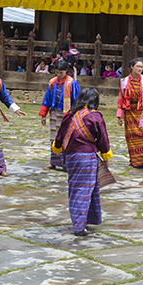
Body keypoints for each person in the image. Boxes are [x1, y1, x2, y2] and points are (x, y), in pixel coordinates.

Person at [52, 88, 113, 236]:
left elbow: (59, 137)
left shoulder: (70, 115)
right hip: (87, 158)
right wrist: (106, 157)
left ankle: (84, 220)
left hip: (71, 158)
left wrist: (57, 149)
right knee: (84, 191)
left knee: (77, 189)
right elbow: (103, 140)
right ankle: (79, 226)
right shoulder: (95, 117)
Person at [39, 59, 81, 170]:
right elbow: (46, 99)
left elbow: (77, 101)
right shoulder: (52, 82)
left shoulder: (72, 83)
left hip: (67, 114)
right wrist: (44, 115)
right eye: (57, 72)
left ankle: (67, 163)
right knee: (54, 138)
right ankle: (53, 162)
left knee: (67, 138)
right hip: (54, 113)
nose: (59, 75)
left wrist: (76, 115)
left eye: (61, 73)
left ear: (66, 71)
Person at [117, 58, 143, 169]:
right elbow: (121, 99)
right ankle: (136, 161)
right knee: (132, 138)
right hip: (130, 112)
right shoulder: (124, 82)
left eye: (141, 67)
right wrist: (120, 115)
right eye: (138, 66)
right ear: (132, 67)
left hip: (142, 111)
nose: (140, 69)